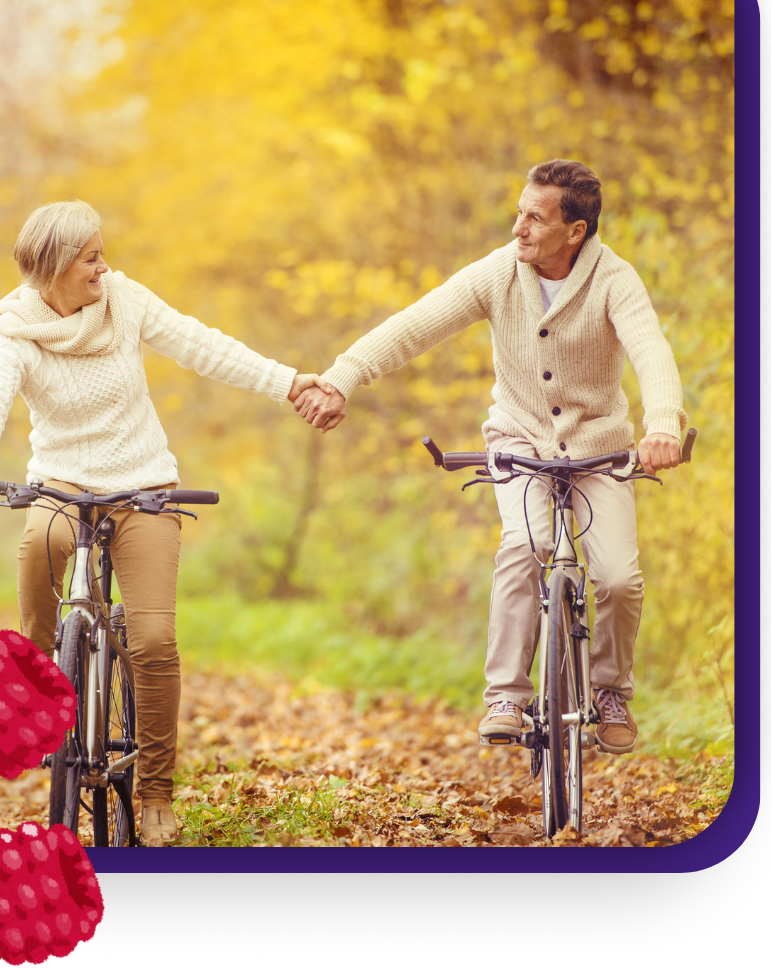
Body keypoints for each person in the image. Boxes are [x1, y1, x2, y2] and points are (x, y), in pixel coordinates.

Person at [0, 199, 334, 846]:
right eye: (91, 258)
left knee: (154, 641)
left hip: (143, 486)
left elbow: (201, 345)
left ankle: (155, 789)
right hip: (63, 482)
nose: (105, 267)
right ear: (52, 269)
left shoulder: (123, 301)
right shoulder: (16, 330)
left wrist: (288, 381)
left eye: (102, 254)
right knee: (39, 546)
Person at [293, 159, 686, 754]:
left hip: (600, 452)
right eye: (518, 213)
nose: (517, 228)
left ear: (575, 230)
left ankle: (610, 692)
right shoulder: (499, 274)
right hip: (519, 442)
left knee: (618, 578)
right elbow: (414, 325)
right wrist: (342, 378)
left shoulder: (615, 279)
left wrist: (661, 425)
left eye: (534, 218)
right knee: (527, 545)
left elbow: (651, 353)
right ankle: (506, 693)